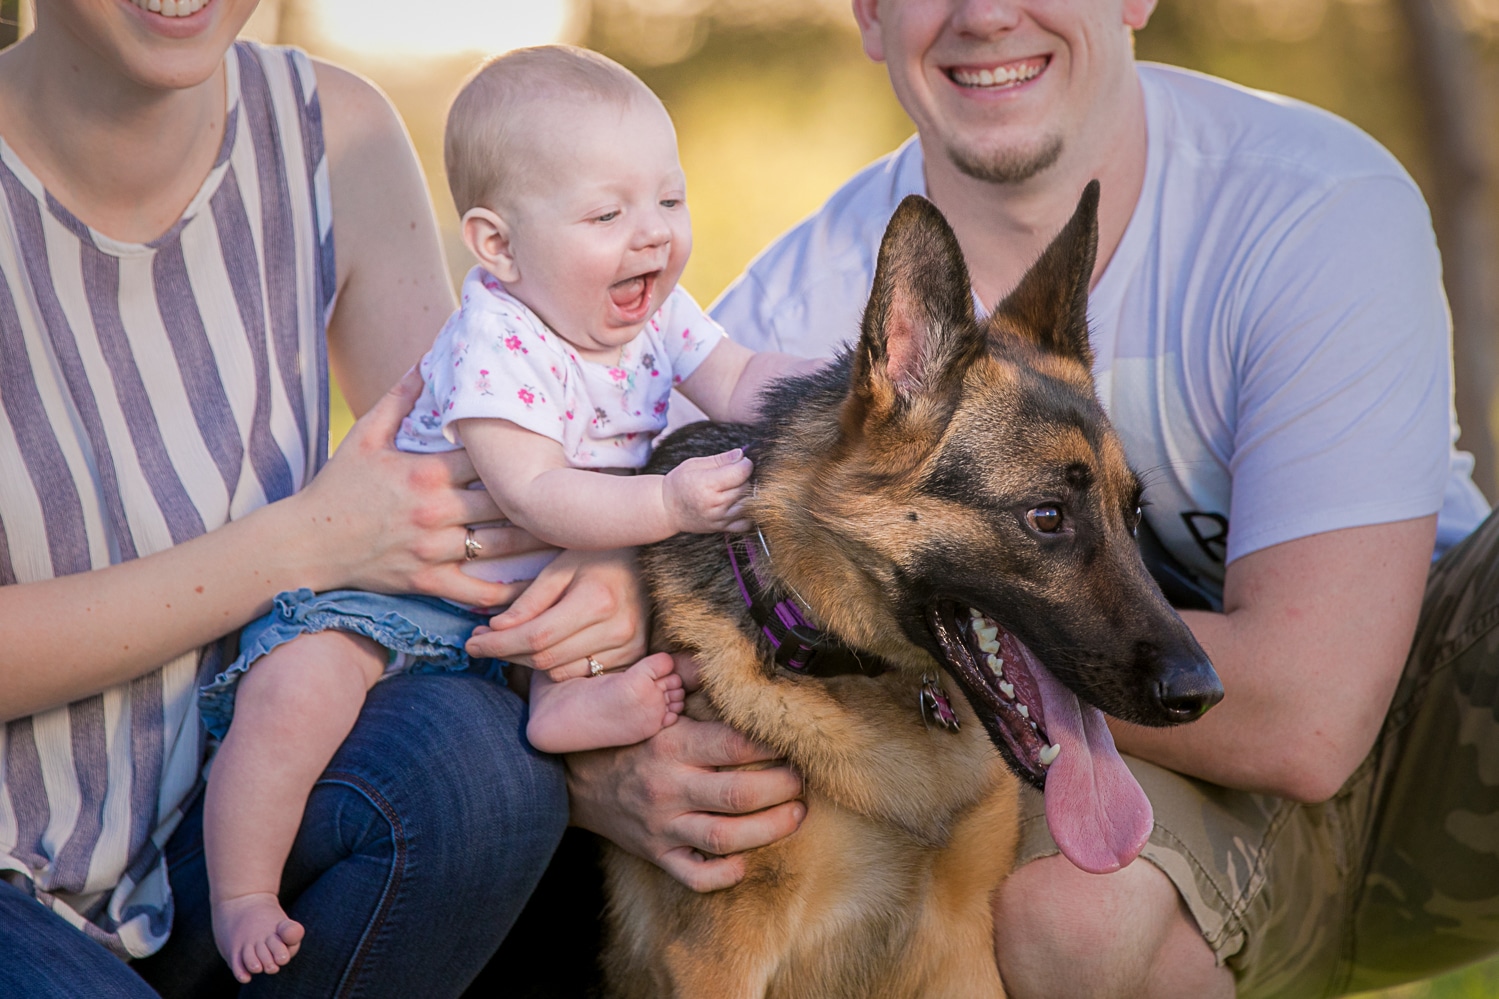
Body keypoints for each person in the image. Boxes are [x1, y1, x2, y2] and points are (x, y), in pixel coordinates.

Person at [556, 2, 1499, 997]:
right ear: (869, 13)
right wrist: (596, 770)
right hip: (1153, 788)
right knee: (1075, 910)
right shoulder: (779, 323)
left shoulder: (1311, 205)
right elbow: (616, 558)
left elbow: (1306, 725)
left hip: (1424, 740)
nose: (989, 13)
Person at [0, 4, 650, 997]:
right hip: (10, 872)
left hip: (227, 824)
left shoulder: (329, 132)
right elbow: (344, 538)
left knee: (474, 772)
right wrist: (298, 546)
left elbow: (471, 494)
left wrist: (601, 570)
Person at [196, 45, 818, 982]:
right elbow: (530, 492)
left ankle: (563, 708)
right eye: (608, 214)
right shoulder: (495, 338)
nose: (651, 235)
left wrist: (831, 390)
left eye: (670, 201)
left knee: (607, 636)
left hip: (525, 604)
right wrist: (665, 501)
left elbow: (735, 377)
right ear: (497, 246)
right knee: (294, 693)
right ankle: (239, 891)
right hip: (401, 590)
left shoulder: (652, 311)